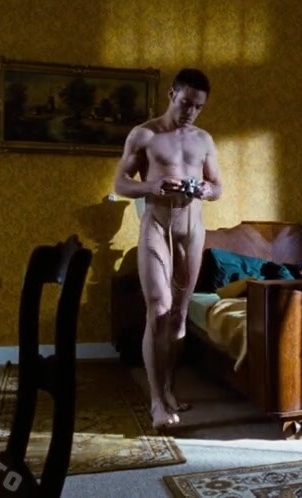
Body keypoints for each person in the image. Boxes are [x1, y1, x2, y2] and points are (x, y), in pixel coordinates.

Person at [113, 68, 223, 428]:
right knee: (158, 309)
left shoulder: (204, 140)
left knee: (178, 316)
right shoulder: (144, 134)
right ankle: (157, 402)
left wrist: (206, 190)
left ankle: (170, 389)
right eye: (186, 102)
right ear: (172, 94)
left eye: (199, 106)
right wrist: (151, 186)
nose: (191, 111)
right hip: (156, 228)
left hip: (191, 231)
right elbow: (120, 183)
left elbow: (217, 186)